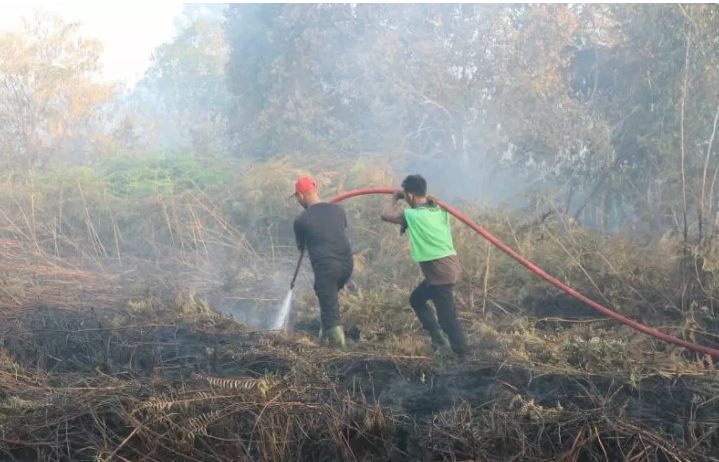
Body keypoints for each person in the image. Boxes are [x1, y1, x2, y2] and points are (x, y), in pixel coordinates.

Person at [380, 174, 468, 355]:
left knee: (447, 319)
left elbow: (385, 215)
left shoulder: (411, 215)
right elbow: (429, 206)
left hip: (440, 273)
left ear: (410, 196)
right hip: (445, 268)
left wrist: (394, 198)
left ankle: (464, 355)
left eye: (406, 196)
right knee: (417, 299)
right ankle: (437, 338)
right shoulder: (438, 210)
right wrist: (428, 200)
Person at [292, 175, 353, 348]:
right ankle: (323, 341)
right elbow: (338, 230)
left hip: (327, 270)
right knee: (327, 303)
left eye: (296, 197)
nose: (297, 200)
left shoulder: (301, 220)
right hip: (347, 266)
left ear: (301, 195)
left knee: (330, 311)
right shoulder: (338, 210)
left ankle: (340, 355)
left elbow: (301, 247)